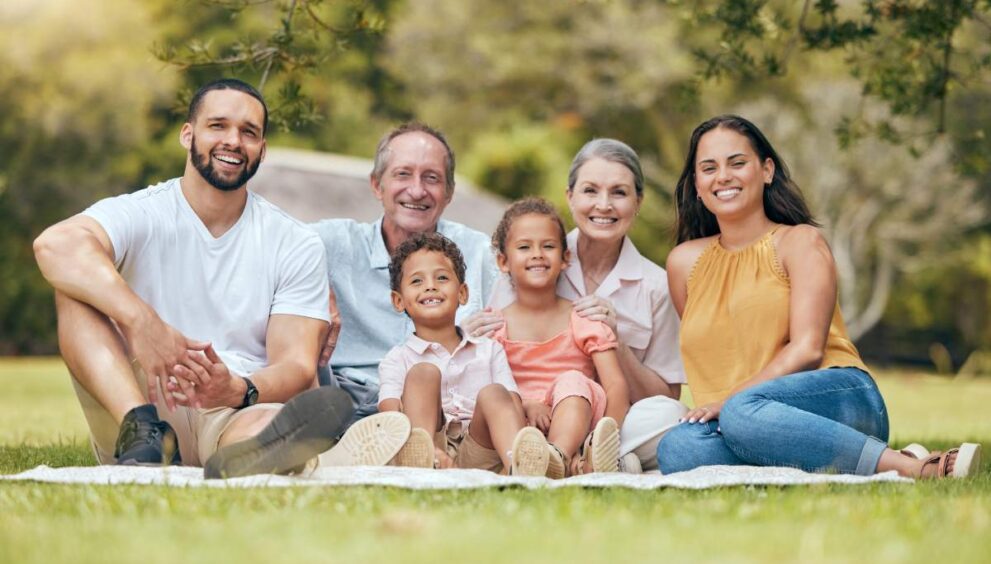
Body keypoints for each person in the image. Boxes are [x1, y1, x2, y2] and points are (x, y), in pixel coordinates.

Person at [32, 78, 408, 479]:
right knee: (75, 284)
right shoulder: (142, 212)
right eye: (218, 126)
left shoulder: (294, 241)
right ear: (188, 134)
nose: (233, 140)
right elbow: (55, 245)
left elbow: (297, 365)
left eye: (249, 132)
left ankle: (273, 452)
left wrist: (238, 388)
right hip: (138, 398)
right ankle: (144, 434)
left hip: (232, 405)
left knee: (265, 424)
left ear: (261, 150)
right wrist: (143, 323)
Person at [657, 114, 981, 479]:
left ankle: (911, 466)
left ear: (766, 170)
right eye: (709, 168)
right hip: (747, 419)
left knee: (740, 413)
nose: (723, 176)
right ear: (697, 186)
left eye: (737, 163)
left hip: (839, 395)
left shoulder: (801, 242)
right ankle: (838, 454)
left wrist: (733, 402)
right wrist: (731, 407)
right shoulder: (683, 263)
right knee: (678, 448)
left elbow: (809, 349)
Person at [469, 139, 686, 473]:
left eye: (619, 192)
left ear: (637, 201)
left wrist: (618, 342)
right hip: (527, 411)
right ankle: (590, 461)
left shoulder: (655, 285)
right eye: (590, 191)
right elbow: (492, 362)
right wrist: (469, 336)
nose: (603, 205)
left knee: (670, 417)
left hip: (614, 415)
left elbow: (666, 395)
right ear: (570, 197)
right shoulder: (535, 260)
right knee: (493, 400)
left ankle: (585, 452)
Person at [311, 123, 499, 429]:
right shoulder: (334, 244)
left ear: (449, 193)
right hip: (347, 404)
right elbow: (266, 243)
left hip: (446, 414)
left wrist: (594, 310)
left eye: (432, 177)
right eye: (402, 174)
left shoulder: (479, 253)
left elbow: (538, 288)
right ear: (377, 186)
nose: (416, 190)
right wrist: (311, 280)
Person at [378, 232, 550, 476]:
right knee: (423, 373)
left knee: (494, 392)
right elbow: (390, 413)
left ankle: (518, 467)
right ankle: (421, 461)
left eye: (442, 277)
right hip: (429, 444)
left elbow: (510, 404)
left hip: (480, 446)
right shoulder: (397, 358)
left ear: (462, 293)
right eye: (417, 281)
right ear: (398, 301)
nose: (430, 286)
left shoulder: (489, 349)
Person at [489, 197, 630, 477]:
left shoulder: (583, 318)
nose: (538, 254)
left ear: (565, 258)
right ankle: (539, 462)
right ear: (503, 262)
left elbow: (616, 385)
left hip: (575, 419)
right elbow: (487, 390)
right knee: (499, 394)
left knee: (572, 379)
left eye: (549, 246)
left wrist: (602, 439)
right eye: (524, 247)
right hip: (518, 428)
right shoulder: (495, 325)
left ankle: (558, 457)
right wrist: (528, 404)